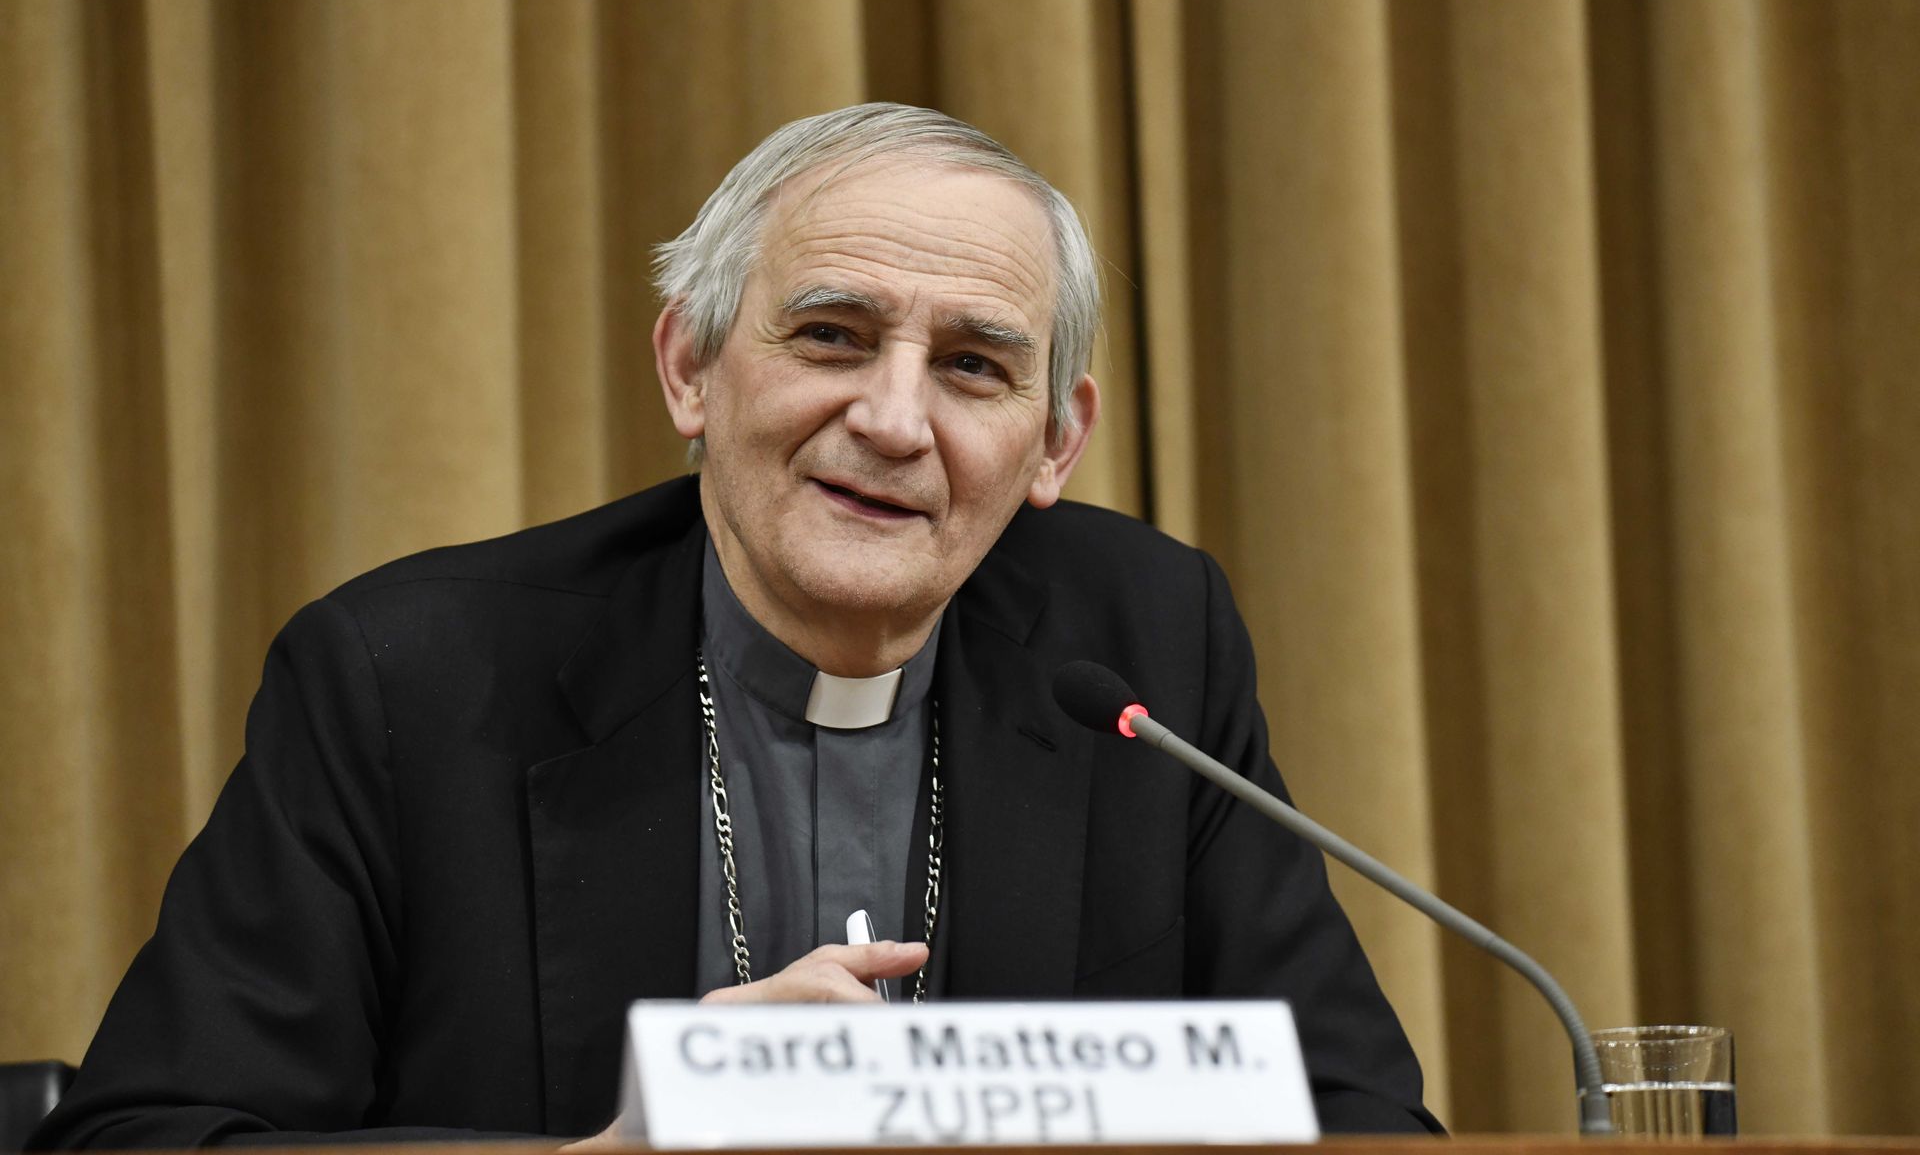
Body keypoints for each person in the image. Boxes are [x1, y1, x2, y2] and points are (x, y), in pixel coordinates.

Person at [32, 104, 1440, 1148]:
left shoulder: (1146, 647)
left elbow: (1360, 1119)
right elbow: (143, 1139)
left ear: (1055, 442)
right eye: (832, 336)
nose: (894, 420)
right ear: (691, 368)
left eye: (971, 366)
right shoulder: (411, 681)